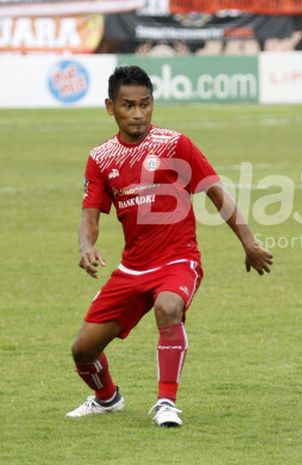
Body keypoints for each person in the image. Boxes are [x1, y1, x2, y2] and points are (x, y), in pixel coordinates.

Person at [66, 65, 273, 427]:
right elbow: (90, 218)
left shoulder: (175, 144)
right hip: (132, 269)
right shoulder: (100, 158)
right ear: (110, 107)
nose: (138, 114)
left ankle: (166, 402)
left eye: (145, 104)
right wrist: (86, 246)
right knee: (83, 349)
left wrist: (249, 242)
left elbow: (215, 191)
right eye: (128, 105)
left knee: (168, 306)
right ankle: (107, 398)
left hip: (179, 260)